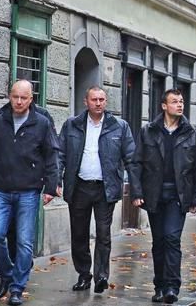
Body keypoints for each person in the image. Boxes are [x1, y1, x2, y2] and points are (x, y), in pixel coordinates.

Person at [0, 80, 60, 306]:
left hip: (28, 192)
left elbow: (52, 156)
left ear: (31, 99)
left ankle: (16, 288)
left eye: (24, 97)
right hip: (2, 190)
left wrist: (51, 188)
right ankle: (6, 275)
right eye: (15, 97)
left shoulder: (41, 123)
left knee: (24, 242)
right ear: (9, 96)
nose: (19, 101)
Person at [128, 89, 196, 304]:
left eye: (181, 102)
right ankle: (160, 286)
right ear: (164, 106)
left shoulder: (191, 133)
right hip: (154, 195)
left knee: (172, 238)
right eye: (175, 102)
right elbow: (136, 163)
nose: (180, 105)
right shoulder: (149, 132)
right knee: (159, 242)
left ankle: (172, 286)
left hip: (178, 196)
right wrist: (136, 192)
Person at [58, 86, 136, 294]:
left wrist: (137, 189)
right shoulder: (72, 125)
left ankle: (101, 276)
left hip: (105, 188)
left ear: (106, 102)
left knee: (103, 234)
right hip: (79, 187)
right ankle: (84, 275)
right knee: (79, 234)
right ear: (86, 102)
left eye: (102, 99)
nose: (98, 103)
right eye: (94, 100)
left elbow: (131, 158)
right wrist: (56, 180)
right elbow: (60, 155)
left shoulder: (119, 126)